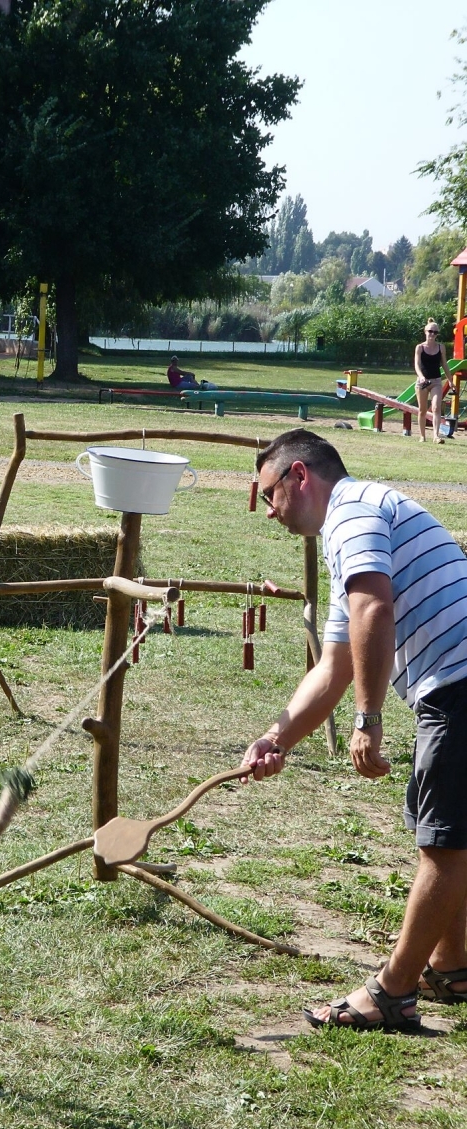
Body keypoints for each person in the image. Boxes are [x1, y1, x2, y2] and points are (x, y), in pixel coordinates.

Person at [242, 428, 467, 1033]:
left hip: (460, 683)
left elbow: (375, 609)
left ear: (299, 476)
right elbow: (335, 663)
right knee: (442, 831)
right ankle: (452, 964)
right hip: (451, 683)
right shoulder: (352, 529)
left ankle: (392, 994)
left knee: (444, 843)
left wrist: (368, 720)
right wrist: (276, 737)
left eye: (269, 494)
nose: (270, 511)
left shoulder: (353, 512)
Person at [414, 319, 454, 443]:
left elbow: (445, 365)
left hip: (436, 381)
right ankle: (422, 436)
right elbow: (416, 364)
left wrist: (450, 380)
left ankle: (436, 436)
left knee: (436, 408)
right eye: (430, 331)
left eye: (435, 332)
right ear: (425, 332)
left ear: (437, 334)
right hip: (422, 383)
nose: (432, 334)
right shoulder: (420, 347)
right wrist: (421, 376)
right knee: (422, 410)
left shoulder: (441, 347)